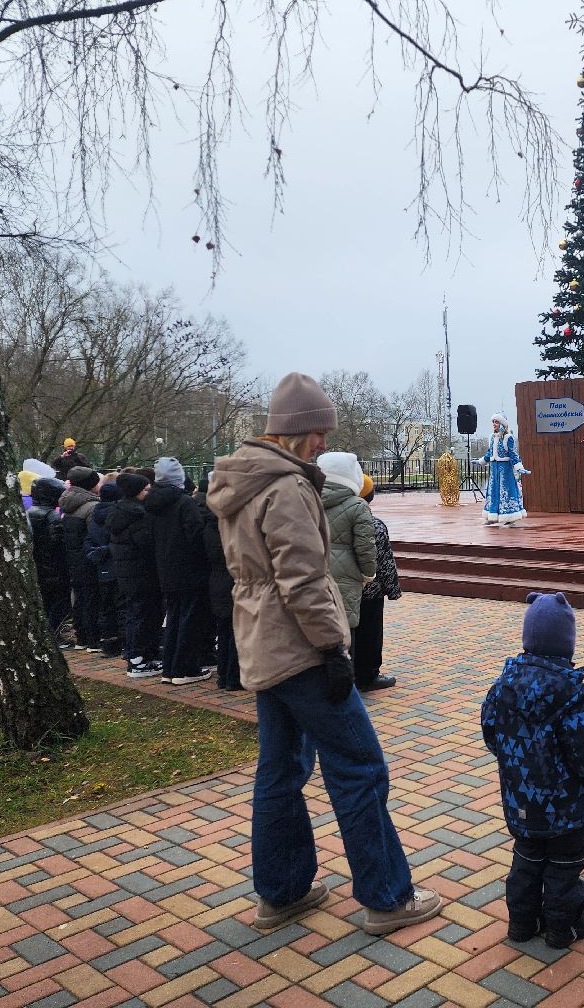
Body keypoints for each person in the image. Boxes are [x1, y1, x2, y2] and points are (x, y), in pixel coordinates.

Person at [208, 371, 442, 935]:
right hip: (300, 650)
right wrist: (333, 648)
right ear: (296, 431)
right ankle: (387, 897)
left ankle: (282, 892)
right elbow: (303, 580)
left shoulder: (241, 481)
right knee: (359, 766)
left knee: (281, 769)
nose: (323, 444)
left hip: (262, 648)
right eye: (318, 433)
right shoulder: (286, 487)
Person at [481, 591, 584, 948]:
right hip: (566, 809)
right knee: (563, 866)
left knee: (526, 861)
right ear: (567, 646)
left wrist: (515, 763)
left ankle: (522, 925)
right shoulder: (572, 693)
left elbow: (490, 730)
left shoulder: (503, 685)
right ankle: (564, 927)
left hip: (520, 802)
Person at [145, 456, 213, 686]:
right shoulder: (185, 503)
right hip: (189, 569)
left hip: (165, 569)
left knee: (174, 618)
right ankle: (185, 668)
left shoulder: (151, 504)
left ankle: (171, 666)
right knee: (190, 619)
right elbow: (196, 536)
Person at [317, 451, 377, 662]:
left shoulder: (308, 500)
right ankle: (344, 688)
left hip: (314, 575)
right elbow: (365, 546)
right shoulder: (357, 506)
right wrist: (368, 573)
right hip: (347, 577)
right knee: (345, 631)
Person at [107, 472, 163, 678]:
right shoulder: (138, 517)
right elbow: (148, 546)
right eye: (146, 489)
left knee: (135, 614)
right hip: (142, 574)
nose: (149, 493)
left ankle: (137, 655)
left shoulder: (118, 514)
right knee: (143, 616)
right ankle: (139, 659)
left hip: (128, 574)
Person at [354, 479, 401, 692]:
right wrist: (392, 589)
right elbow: (384, 562)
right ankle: (368, 675)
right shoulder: (374, 525)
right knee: (370, 633)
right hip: (370, 591)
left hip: (338, 590)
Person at [199, 473, 242, 691]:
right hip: (233, 579)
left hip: (217, 579)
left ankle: (225, 675)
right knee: (236, 630)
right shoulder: (230, 522)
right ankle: (233, 676)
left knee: (225, 629)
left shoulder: (207, 519)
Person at [60, 467, 104, 653]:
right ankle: (93, 637)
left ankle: (82, 636)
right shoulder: (91, 507)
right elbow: (94, 535)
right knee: (91, 598)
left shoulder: (68, 503)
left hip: (73, 557)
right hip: (87, 559)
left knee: (79, 598)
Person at [26, 477, 72, 644]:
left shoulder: (30, 512)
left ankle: (46, 633)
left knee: (46, 602)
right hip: (54, 567)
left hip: (40, 565)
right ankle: (53, 634)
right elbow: (57, 543)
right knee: (59, 603)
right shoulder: (52, 516)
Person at [84, 480, 122, 657]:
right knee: (122, 606)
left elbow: (88, 541)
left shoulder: (93, 517)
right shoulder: (116, 516)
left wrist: (96, 555)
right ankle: (124, 642)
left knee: (106, 607)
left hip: (102, 568)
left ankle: (109, 643)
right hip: (118, 566)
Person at [480, 413, 530, 526]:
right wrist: (481, 461)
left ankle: (509, 516)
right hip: (494, 469)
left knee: (506, 492)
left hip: (505, 470)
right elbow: (489, 453)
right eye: (493, 422)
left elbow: (513, 454)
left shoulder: (508, 438)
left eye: (496, 422)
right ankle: (492, 515)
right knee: (493, 491)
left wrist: (519, 468)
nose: (494, 424)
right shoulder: (492, 437)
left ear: (502, 424)